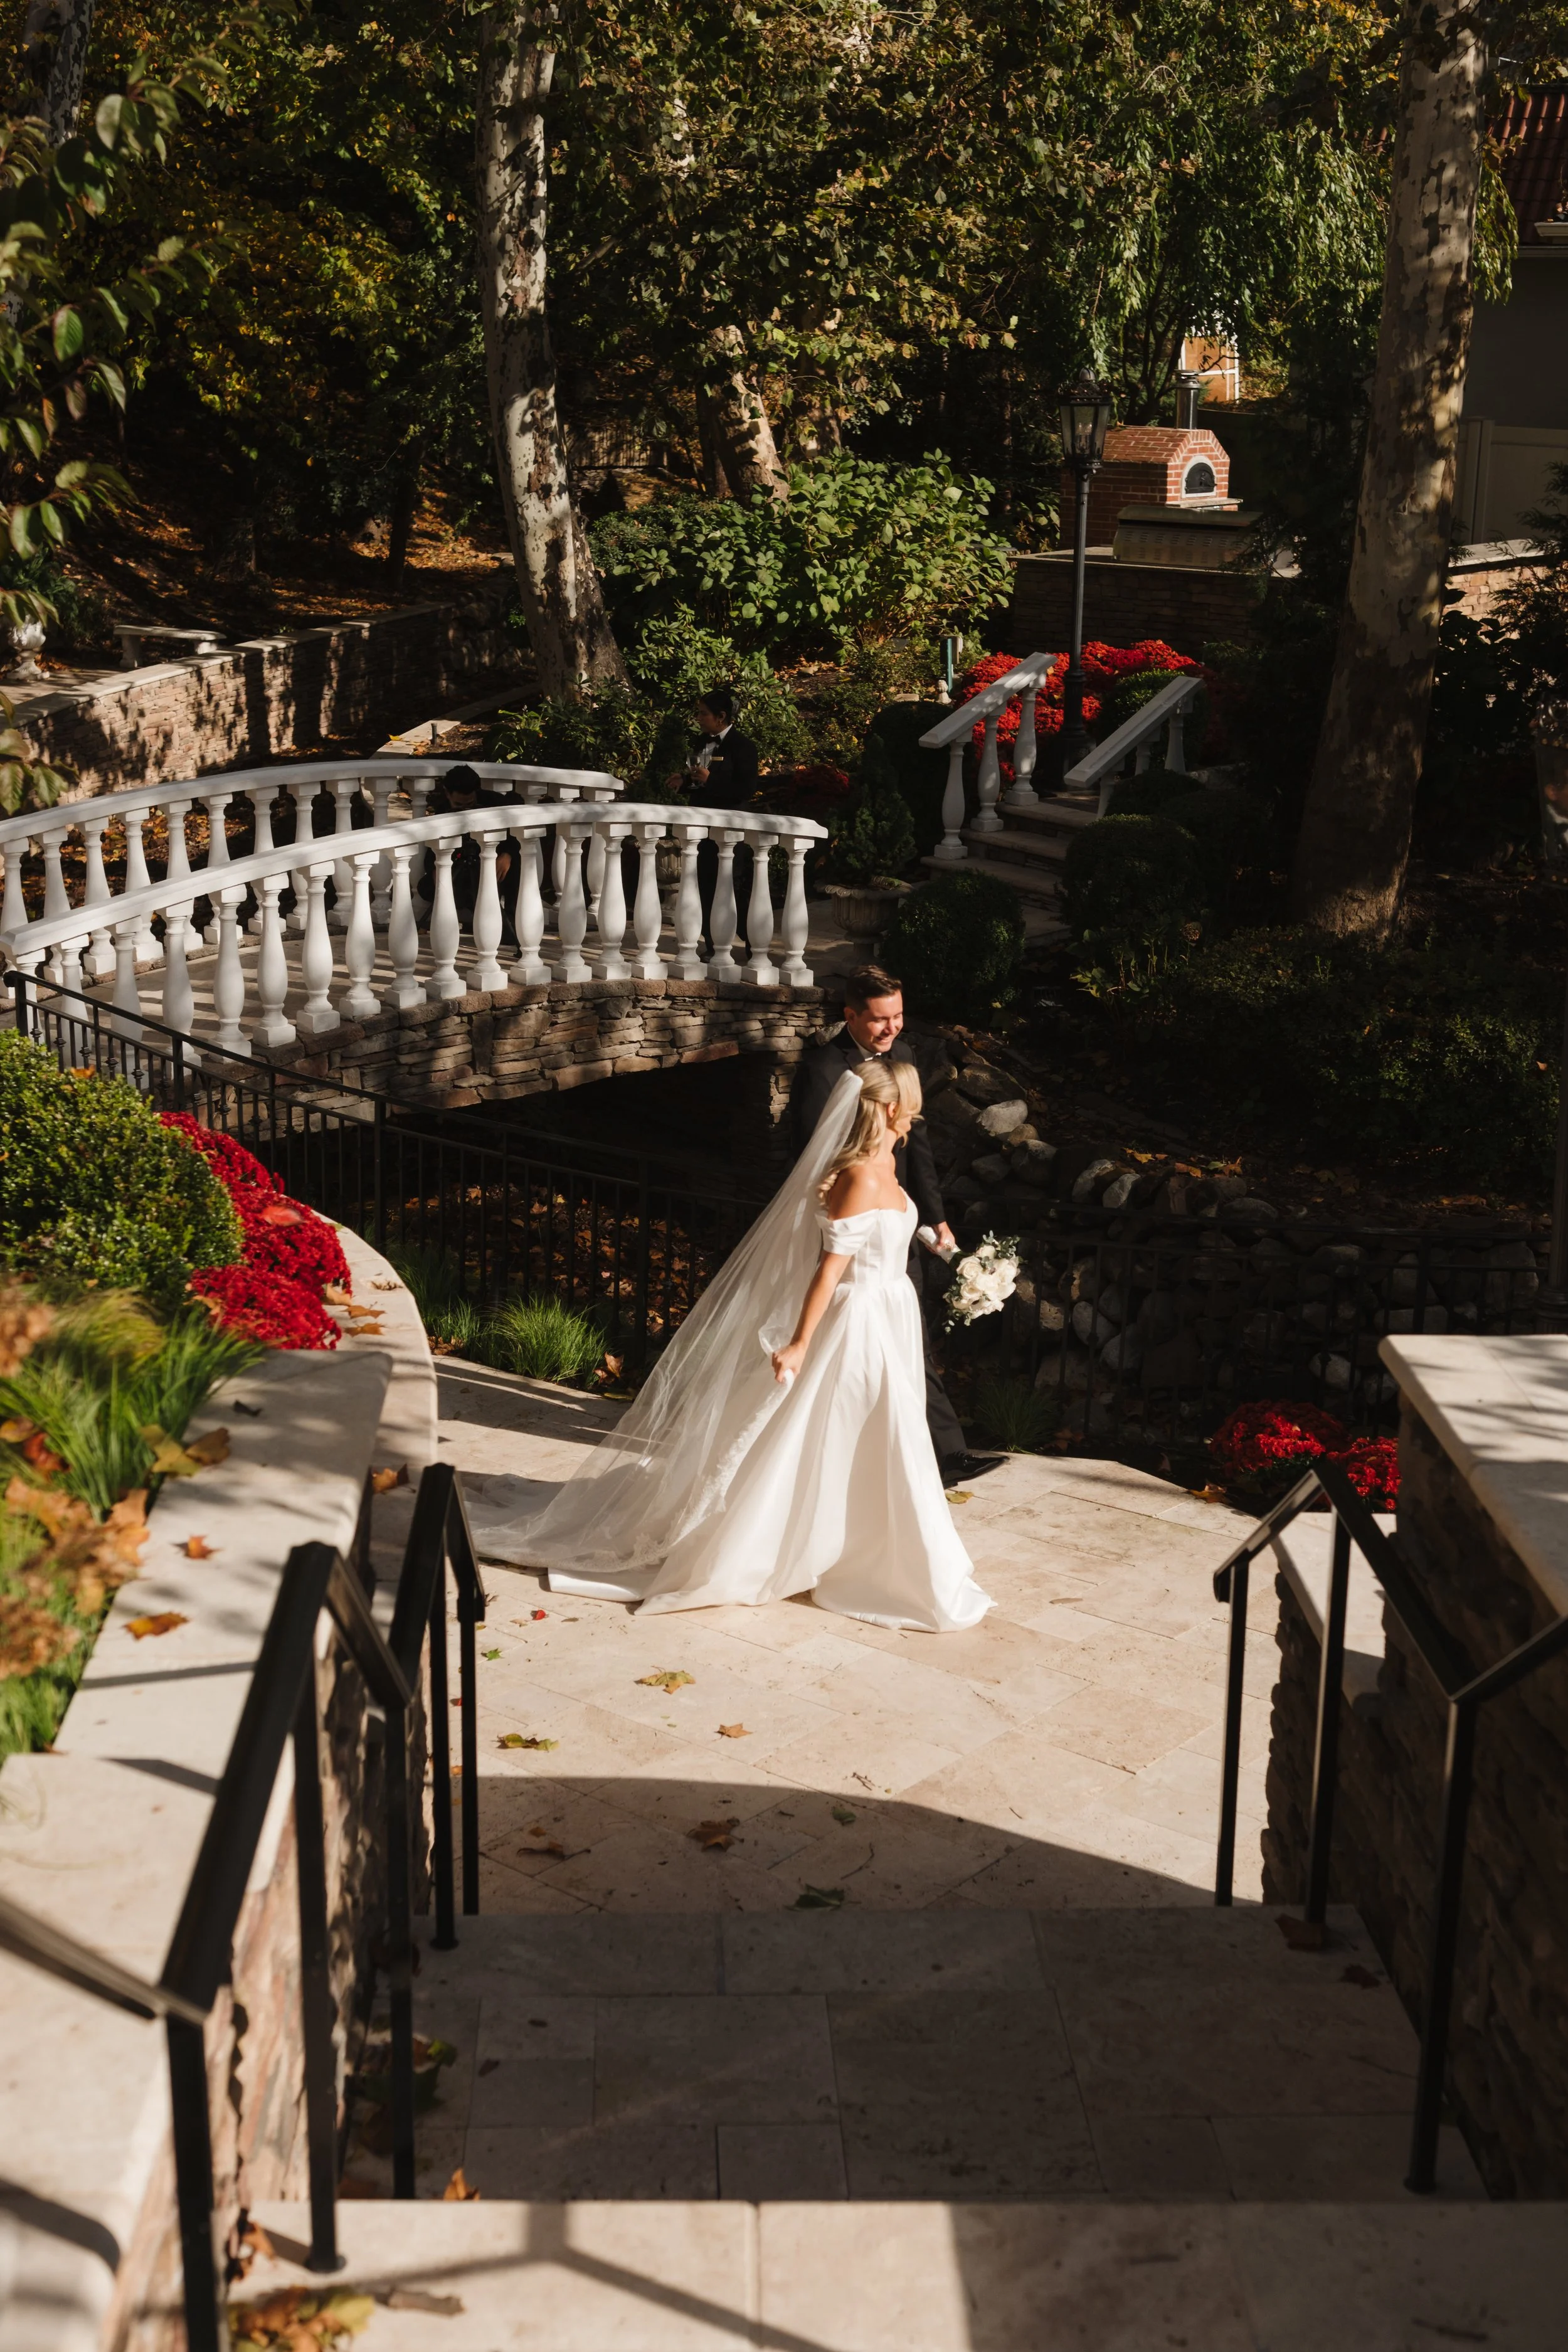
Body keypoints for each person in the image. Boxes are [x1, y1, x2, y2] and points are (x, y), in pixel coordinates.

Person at [474, 1057, 992, 1632]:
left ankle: (868, 1545)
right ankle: (850, 1553)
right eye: (912, 1108)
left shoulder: (884, 1166)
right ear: (893, 1109)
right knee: (864, 1427)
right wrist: (799, 1343)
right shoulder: (862, 1176)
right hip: (860, 1323)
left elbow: (881, 1234)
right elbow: (829, 1271)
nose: (915, 1119)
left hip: (889, 1314)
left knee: (885, 1431)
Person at [790, 963, 1004, 1491]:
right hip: (857, 1224)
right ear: (851, 1015)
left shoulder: (904, 1058)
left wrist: (933, 1217)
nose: (892, 1030)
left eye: (900, 1017)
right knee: (855, 1360)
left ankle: (932, 1456)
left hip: (898, 1216)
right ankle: (867, 1462)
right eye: (881, 1019)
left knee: (908, 1347)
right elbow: (818, 1158)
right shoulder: (822, 1070)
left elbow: (919, 1149)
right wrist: (855, 1214)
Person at [416, 763, 519, 934]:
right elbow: (432, 850)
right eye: (458, 805)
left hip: (494, 865)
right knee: (427, 887)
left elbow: (515, 835)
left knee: (517, 865)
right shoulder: (443, 810)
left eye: (470, 804)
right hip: (461, 868)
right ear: (448, 794)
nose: (465, 810)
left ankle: (510, 924)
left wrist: (507, 855)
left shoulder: (495, 802)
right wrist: (436, 869)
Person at [669, 687, 760, 801]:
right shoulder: (701, 740)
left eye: (704, 714)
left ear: (721, 717)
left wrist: (710, 780)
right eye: (698, 713)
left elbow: (745, 791)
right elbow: (701, 782)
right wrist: (684, 781)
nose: (698, 718)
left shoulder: (743, 747)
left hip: (727, 816)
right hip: (698, 813)